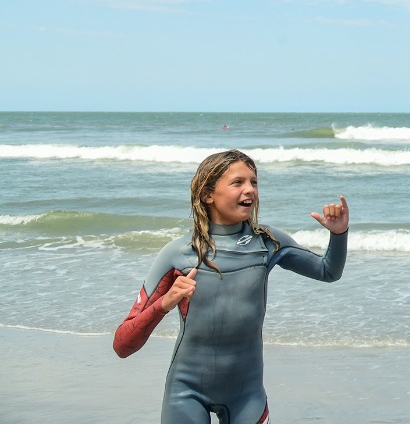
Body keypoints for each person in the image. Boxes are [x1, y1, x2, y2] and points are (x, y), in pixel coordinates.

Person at [113, 149, 349, 424]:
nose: (250, 190)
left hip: (247, 394)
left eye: (254, 182)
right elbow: (123, 345)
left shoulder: (269, 242)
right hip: (186, 392)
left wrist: (339, 233)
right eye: (238, 182)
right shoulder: (180, 253)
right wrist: (163, 305)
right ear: (208, 194)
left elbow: (328, 271)